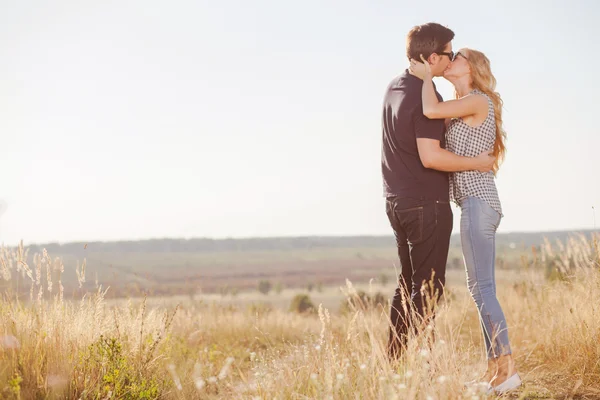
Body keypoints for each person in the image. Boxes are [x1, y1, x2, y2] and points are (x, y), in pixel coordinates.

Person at [409, 48, 521, 394]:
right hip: (472, 205)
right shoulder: (460, 109)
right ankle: (495, 372)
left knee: (482, 289)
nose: (449, 60)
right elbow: (433, 131)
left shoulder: (477, 101)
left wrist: (426, 77)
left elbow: (429, 109)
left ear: (469, 67)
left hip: (479, 203)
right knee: (480, 289)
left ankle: (508, 369)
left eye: (455, 56)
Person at [381, 22, 495, 361]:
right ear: (433, 57)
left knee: (408, 286)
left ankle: (394, 362)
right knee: (429, 288)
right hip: (425, 204)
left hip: (396, 201)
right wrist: (476, 163)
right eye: (448, 54)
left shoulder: (396, 87)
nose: (451, 60)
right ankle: (420, 363)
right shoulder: (425, 94)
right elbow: (431, 157)